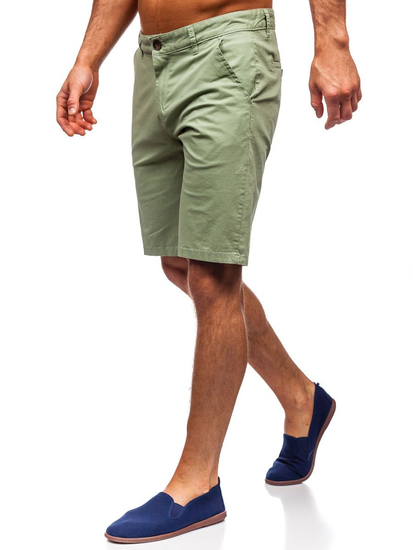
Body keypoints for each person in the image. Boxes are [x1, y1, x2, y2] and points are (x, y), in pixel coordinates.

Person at [56, 0, 361, 544]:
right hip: (154, 61)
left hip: (227, 52)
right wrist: (88, 57)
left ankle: (198, 483)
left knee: (213, 272)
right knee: (181, 261)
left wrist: (332, 40)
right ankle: (302, 399)